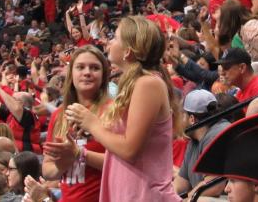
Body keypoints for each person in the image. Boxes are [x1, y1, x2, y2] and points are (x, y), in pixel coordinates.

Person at [65, 16, 180, 201]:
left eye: (116, 38)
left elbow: (130, 149)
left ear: (128, 51)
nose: (110, 41)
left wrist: (92, 124)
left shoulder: (148, 83)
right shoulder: (137, 83)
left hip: (144, 194)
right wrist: (91, 129)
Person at [42, 45, 111, 202]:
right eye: (80, 67)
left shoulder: (114, 111)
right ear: (71, 74)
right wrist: (62, 164)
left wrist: (79, 154)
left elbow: (123, 164)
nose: (87, 72)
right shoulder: (59, 115)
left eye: (94, 68)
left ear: (104, 75)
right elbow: (47, 170)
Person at [174, 90, 230, 200]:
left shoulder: (218, 133)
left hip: (229, 198)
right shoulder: (194, 139)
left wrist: (186, 200)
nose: (179, 120)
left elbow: (214, 187)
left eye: (182, 114)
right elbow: (180, 184)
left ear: (191, 119)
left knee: (201, 199)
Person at [0, 74, 41, 154]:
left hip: (28, 155)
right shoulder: (11, 114)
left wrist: (0, 90)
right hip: (16, 153)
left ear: (21, 103)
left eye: (13, 98)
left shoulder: (29, 115)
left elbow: (16, 108)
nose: (9, 99)